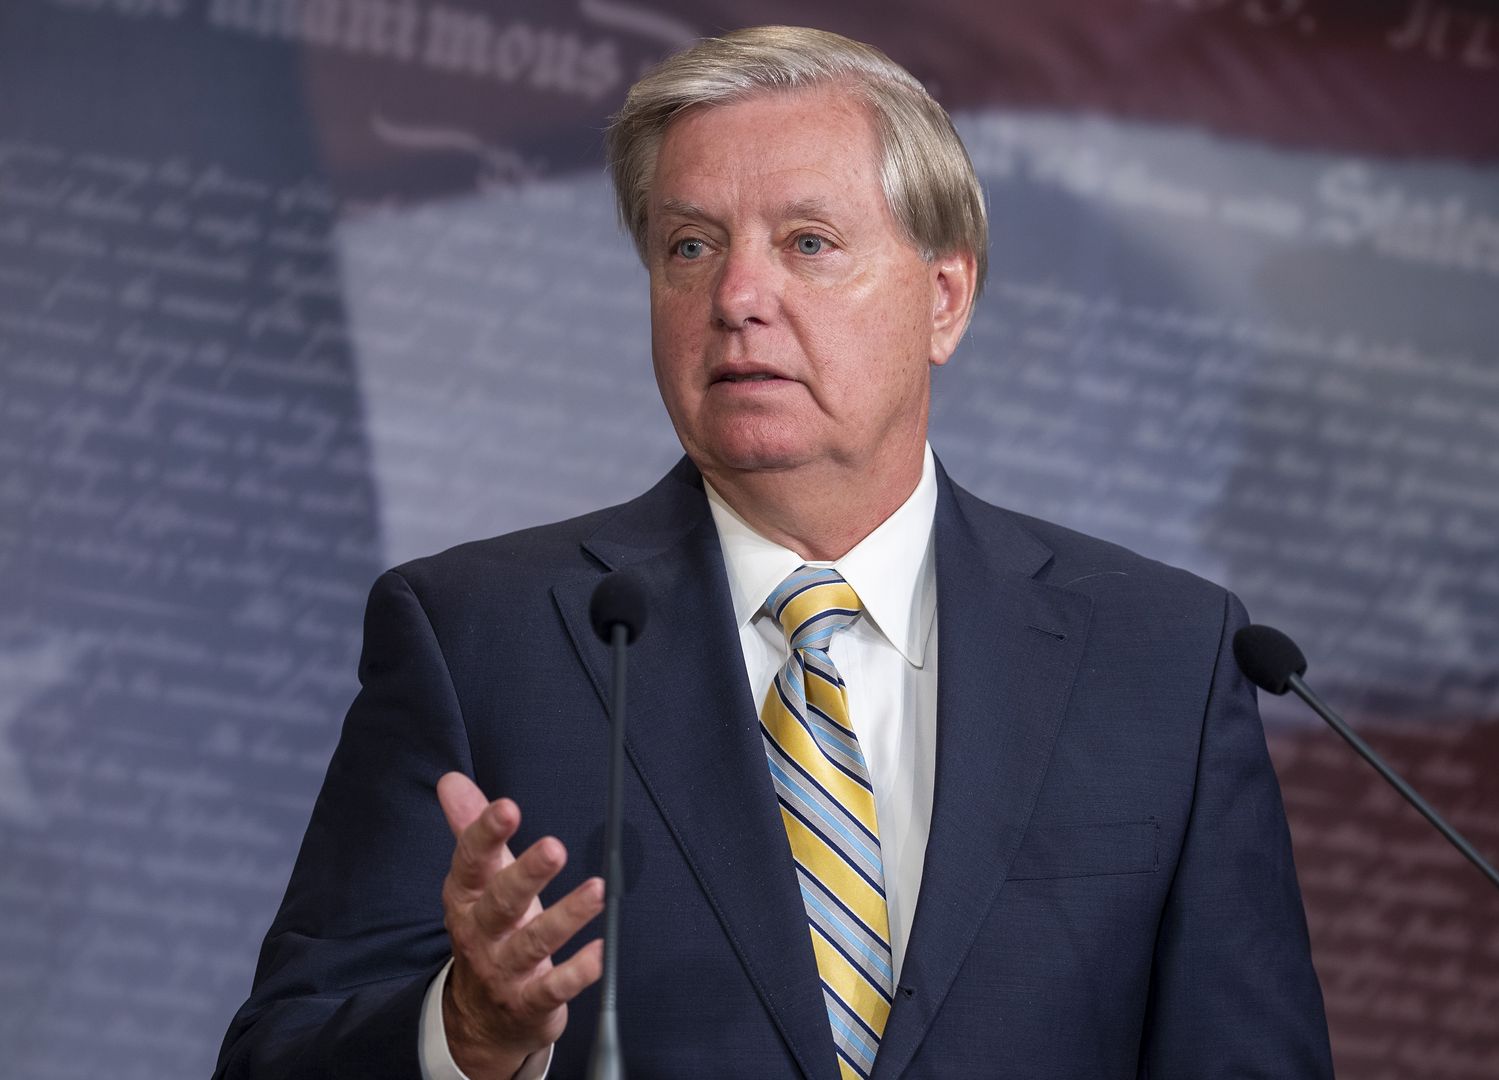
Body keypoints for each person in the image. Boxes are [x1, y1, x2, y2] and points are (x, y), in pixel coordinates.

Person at [215, 25, 1332, 1080]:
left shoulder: (1164, 658)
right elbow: (278, 1056)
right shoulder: (477, 636)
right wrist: (468, 1029)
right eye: (690, 246)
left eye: (808, 243)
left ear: (945, 297)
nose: (738, 298)